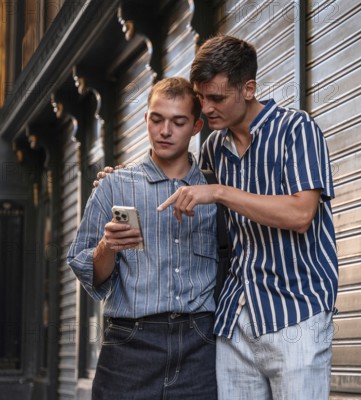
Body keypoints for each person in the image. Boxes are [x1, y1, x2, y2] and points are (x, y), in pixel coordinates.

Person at [157, 35, 339, 400]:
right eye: (201, 97)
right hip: (235, 318)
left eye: (217, 98)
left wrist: (221, 192)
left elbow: (301, 213)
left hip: (298, 311)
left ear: (249, 89)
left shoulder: (297, 130)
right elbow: (173, 179)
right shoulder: (213, 148)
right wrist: (119, 177)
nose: (206, 109)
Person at [67, 77, 218, 399]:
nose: (165, 131)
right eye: (157, 119)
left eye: (178, 122)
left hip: (200, 345)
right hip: (130, 343)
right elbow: (88, 272)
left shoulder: (216, 192)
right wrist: (107, 246)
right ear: (145, 119)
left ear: (196, 126)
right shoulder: (114, 186)